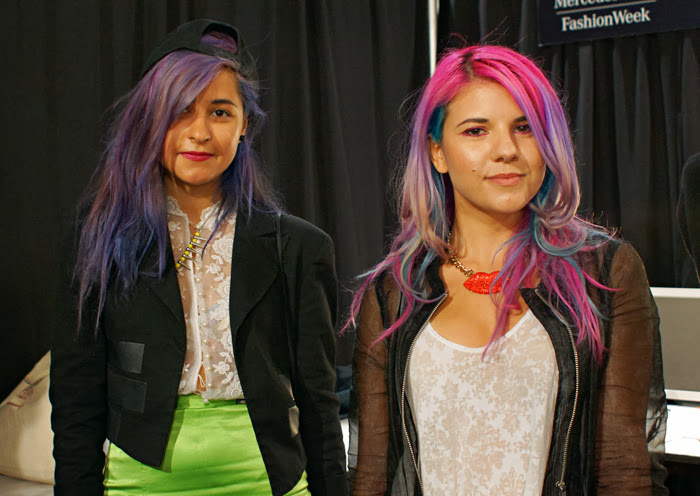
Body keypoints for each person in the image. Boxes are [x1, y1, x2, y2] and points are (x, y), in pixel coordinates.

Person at [346, 45, 667, 495]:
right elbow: (373, 474)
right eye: (476, 130)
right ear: (438, 152)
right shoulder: (394, 292)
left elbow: (623, 467)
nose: (507, 150)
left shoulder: (605, 272)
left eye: (525, 127)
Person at [50, 19, 346, 496]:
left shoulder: (297, 247)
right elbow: (75, 401)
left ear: (245, 125)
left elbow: (319, 403)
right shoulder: (100, 238)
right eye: (180, 111)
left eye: (220, 112)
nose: (200, 132)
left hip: (269, 483)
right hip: (138, 486)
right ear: (149, 119)